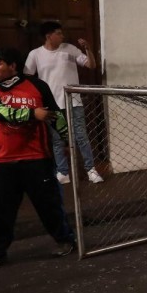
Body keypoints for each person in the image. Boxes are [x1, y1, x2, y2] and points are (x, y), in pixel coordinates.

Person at [0, 48, 77, 273]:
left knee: (49, 205)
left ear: (13, 66)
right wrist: (33, 113)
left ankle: (65, 240)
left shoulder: (37, 86)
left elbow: (55, 115)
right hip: (1, 162)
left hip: (36, 159)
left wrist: (66, 139)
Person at [25, 21, 103, 185]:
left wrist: (88, 49)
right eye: (58, 33)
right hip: (52, 104)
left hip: (73, 101)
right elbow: (28, 78)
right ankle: (63, 172)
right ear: (49, 36)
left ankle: (91, 170)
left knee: (81, 136)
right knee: (57, 139)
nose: (62, 36)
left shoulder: (70, 49)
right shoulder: (35, 54)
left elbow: (91, 65)